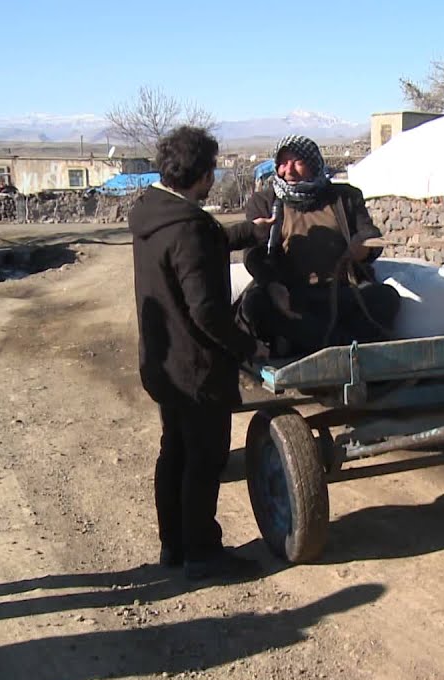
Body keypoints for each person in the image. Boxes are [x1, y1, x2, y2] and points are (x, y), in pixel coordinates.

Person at [130, 125, 267, 580]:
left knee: (175, 452)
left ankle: (174, 545)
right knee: (204, 459)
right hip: (195, 368)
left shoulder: (155, 213)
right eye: (212, 170)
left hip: (163, 363)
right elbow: (207, 311)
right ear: (203, 175)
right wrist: (248, 348)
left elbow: (197, 242)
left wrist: (249, 231)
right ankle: (203, 554)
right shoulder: (187, 228)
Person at [238, 134, 399, 356]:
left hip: (342, 293)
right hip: (292, 296)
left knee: (386, 298)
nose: (289, 170)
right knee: (256, 304)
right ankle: (345, 349)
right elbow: (253, 254)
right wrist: (272, 285)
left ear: (313, 164)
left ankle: (319, 347)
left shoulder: (344, 197)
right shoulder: (264, 202)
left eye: (297, 162)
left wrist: (363, 249)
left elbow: (371, 236)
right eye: (283, 163)